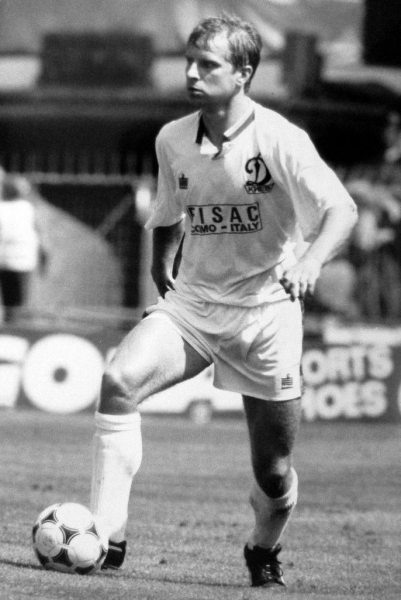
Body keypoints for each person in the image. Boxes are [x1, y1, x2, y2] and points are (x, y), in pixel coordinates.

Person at [91, 14, 357, 588]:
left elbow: (343, 209)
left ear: (243, 73)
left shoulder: (280, 138)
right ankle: (105, 538)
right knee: (118, 381)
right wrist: (163, 260)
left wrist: (310, 261)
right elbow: (170, 209)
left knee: (275, 472)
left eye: (207, 64)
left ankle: (263, 547)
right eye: (189, 61)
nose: (191, 73)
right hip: (195, 305)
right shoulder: (172, 138)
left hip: (267, 315)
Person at [0, 169, 47, 322]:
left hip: (6, 259)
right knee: (20, 297)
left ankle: (11, 320)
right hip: (23, 260)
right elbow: (39, 232)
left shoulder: (4, 208)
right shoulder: (27, 208)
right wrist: (43, 254)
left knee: (9, 296)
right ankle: (16, 322)